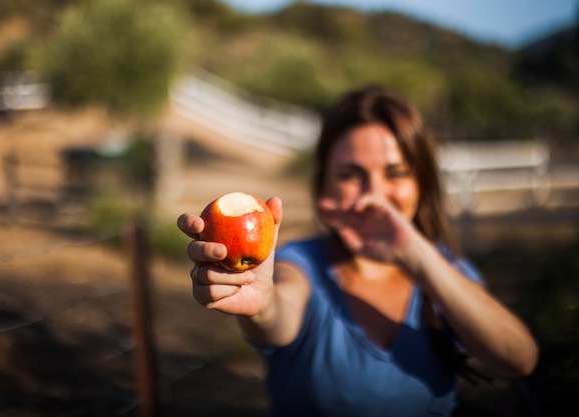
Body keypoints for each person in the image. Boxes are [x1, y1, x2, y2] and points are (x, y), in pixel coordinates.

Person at [176, 85, 538, 416]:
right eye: (351, 175)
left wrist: (417, 254)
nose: (372, 196)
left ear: (421, 184)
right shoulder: (302, 263)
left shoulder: (444, 271)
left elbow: (519, 359)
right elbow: (278, 315)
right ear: (324, 187)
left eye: (395, 173)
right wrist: (261, 304)